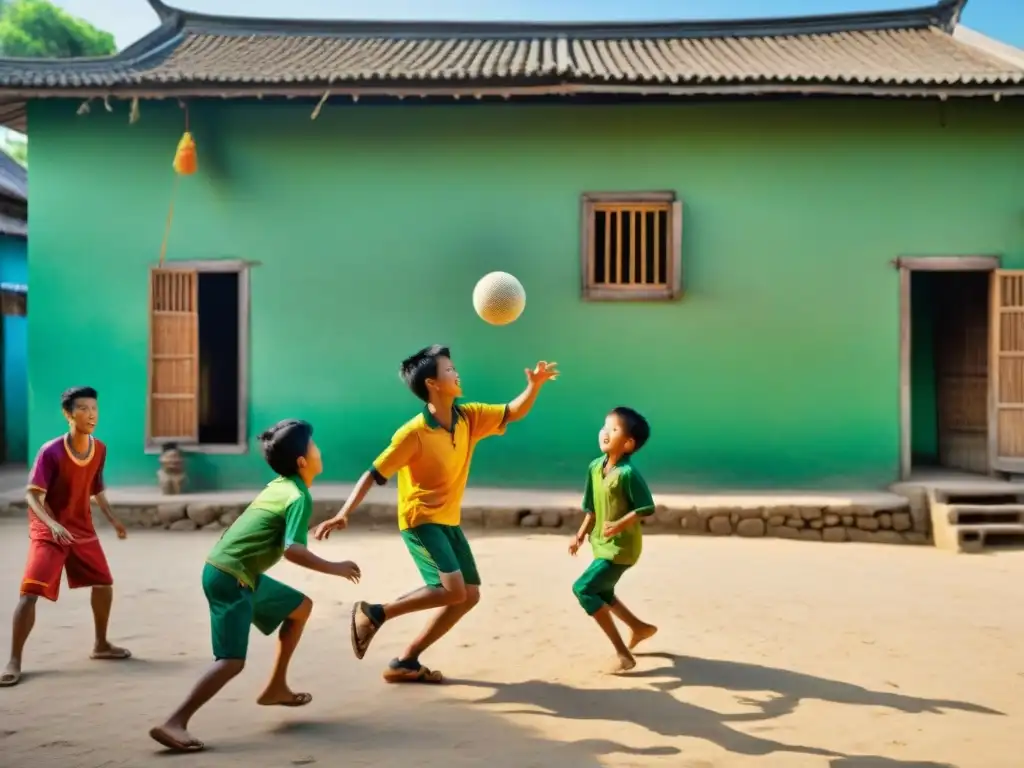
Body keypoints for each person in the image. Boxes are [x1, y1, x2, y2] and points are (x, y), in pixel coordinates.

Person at [314, 345, 558, 684]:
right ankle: (374, 613)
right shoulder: (413, 433)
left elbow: (512, 412)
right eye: (449, 370)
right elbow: (373, 473)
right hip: (420, 520)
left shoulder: (468, 417)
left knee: (468, 595)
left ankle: (406, 661)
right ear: (433, 383)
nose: (457, 373)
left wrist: (535, 386)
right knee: (455, 590)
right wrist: (344, 513)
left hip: (448, 520)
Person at [149, 419, 361, 753]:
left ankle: (276, 687)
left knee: (300, 608)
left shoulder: (280, 485)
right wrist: (335, 568)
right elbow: (293, 550)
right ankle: (175, 722)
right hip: (231, 578)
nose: (319, 450)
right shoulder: (297, 496)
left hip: (234, 571)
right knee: (231, 660)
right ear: (303, 461)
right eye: (314, 446)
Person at [1, 386, 130, 689]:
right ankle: (14, 660)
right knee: (30, 593)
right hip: (48, 529)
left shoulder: (99, 449)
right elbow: (32, 496)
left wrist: (113, 519)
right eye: (83, 409)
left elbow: (96, 489)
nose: (91, 415)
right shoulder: (51, 451)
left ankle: (100, 644)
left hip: (81, 526)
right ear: (68, 414)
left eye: (94, 409)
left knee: (104, 583)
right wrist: (52, 525)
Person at [568, 406, 659, 673]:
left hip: (622, 548)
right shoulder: (595, 467)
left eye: (614, 429)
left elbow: (646, 507)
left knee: (584, 589)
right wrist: (580, 535)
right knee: (603, 591)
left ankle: (622, 654)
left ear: (629, 443)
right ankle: (640, 628)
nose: (605, 432)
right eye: (605, 426)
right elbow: (592, 508)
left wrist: (619, 524)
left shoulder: (628, 475)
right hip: (601, 543)